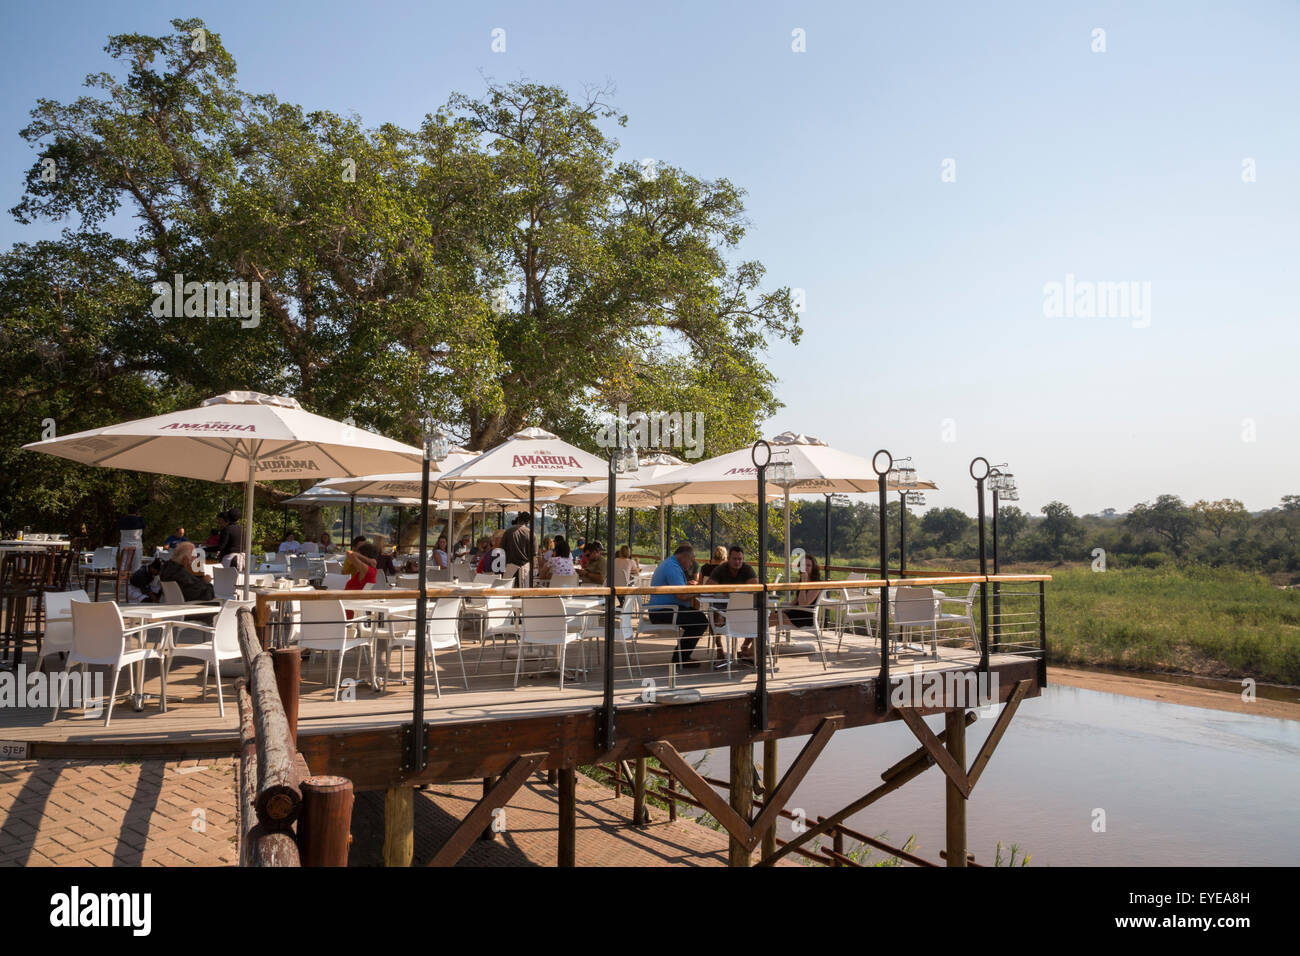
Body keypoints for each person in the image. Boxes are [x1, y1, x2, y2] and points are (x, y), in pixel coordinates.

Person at [648, 543, 710, 666]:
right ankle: (681, 659)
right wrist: (698, 591)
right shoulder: (673, 568)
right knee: (701, 621)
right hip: (662, 611)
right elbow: (681, 595)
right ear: (683, 556)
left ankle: (681, 656)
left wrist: (688, 586)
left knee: (698, 619)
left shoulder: (671, 564)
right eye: (691, 559)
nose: (692, 563)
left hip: (665, 609)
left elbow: (679, 590)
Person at [709, 545, 759, 659]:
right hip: (722, 605)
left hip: (742, 609)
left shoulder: (747, 569)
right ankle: (719, 648)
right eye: (734, 559)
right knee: (712, 615)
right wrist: (736, 591)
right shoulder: (721, 568)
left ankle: (745, 646)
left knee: (757, 618)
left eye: (740, 559)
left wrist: (729, 591)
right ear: (728, 558)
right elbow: (710, 585)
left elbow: (755, 586)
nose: (737, 562)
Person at [772, 555, 824, 630]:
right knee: (767, 618)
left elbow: (803, 604)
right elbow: (797, 599)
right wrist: (786, 608)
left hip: (804, 616)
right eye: (803, 565)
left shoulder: (816, 584)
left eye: (808, 565)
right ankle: (755, 637)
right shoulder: (803, 579)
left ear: (813, 568)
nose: (805, 567)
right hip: (795, 612)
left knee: (766, 621)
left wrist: (803, 583)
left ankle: (758, 638)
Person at [502, 512, 533, 584]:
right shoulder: (531, 533)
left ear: (518, 519)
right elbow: (533, 554)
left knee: (506, 591)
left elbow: (502, 550)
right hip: (524, 568)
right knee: (523, 593)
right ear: (528, 522)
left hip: (510, 567)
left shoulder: (508, 532)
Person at [119, 504, 145, 572]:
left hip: (124, 544)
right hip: (137, 546)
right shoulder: (140, 520)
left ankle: (121, 580)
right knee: (136, 565)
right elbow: (143, 529)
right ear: (136, 512)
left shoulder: (122, 520)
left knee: (123, 564)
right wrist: (139, 517)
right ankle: (134, 581)